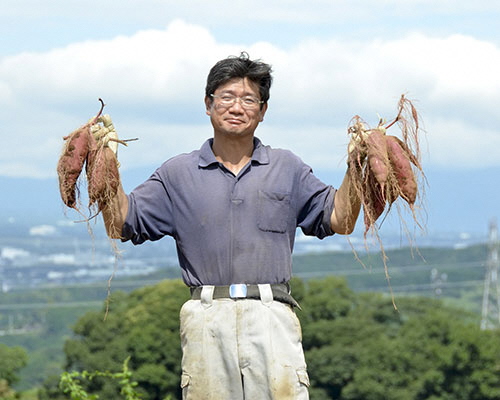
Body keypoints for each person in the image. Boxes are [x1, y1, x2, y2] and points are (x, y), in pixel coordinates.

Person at [99, 52, 361, 400]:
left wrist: (358, 166)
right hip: (206, 315)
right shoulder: (177, 174)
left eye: (249, 99)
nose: (237, 107)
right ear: (208, 104)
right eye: (226, 96)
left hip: (271, 314)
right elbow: (121, 222)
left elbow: (340, 218)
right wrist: (104, 168)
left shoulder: (286, 167)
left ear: (262, 111)